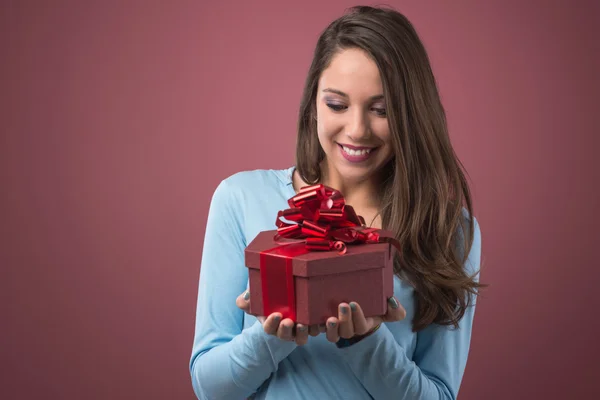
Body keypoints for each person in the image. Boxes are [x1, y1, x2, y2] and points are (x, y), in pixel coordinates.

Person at [189, 5, 484, 400]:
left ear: (412, 114)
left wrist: (368, 340)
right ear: (313, 103)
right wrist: (270, 336)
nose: (357, 129)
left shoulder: (449, 231)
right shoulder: (240, 199)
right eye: (337, 105)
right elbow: (209, 388)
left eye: (382, 110)